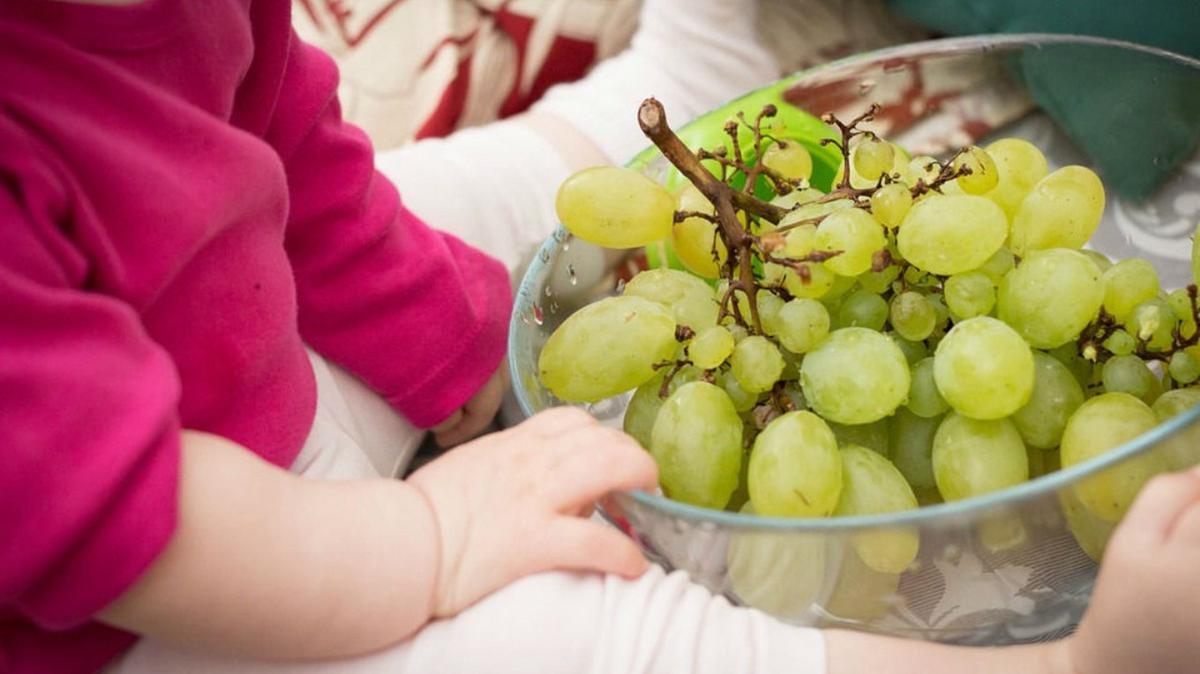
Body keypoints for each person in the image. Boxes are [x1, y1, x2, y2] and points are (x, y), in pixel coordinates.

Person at [1, 3, 1199, 674]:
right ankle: (1070, 669)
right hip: (150, 604)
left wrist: (453, 342)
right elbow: (113, 512)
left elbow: (288, 158)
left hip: (214, 371)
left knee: (417, 202)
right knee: (570, 631)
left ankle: (664, 89)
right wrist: (424, 536)